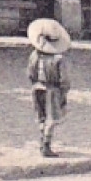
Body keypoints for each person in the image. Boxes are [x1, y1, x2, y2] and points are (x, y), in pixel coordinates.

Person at [26, 17, 72, 158]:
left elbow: (30, 73)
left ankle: (42, 140)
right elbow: (64, 79)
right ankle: (46, 144)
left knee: (41, 116)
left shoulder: (34, 55)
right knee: (52, 118)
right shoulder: (59, 59)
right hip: (52, 90)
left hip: (37, 88)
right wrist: (64, 92)